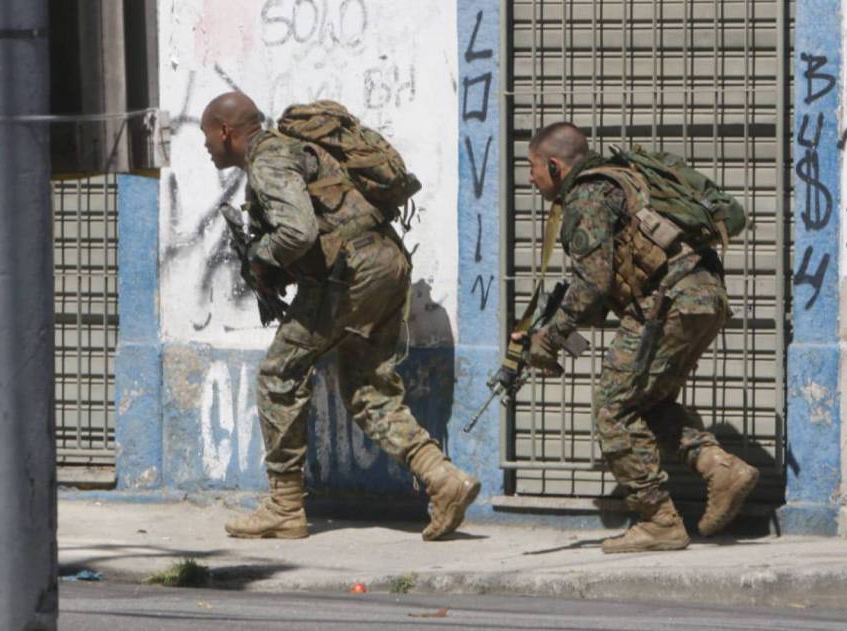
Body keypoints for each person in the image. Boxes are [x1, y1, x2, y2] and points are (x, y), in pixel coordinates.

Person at [200, 91, 479, 541]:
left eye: (207, 136)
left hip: (350, 274)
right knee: (368, 389)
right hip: (386, 262)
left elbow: (298, 232)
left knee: (278, 375)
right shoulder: (297, 151)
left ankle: (285, 507)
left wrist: (259, 255)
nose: (206, 146)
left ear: (225, 131)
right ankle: (444, 480)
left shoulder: (269, 160)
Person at [520, 121, 759, 553]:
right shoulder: (623, 178)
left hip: (669, 304)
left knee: (612, 410)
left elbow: (592, 283)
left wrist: (550, 338)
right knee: (647, 403)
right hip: (702, 298)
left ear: (555, 166)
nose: (530, 178)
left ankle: (659, 521)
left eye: (532, 167)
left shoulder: (587, 195)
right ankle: (719, 468)